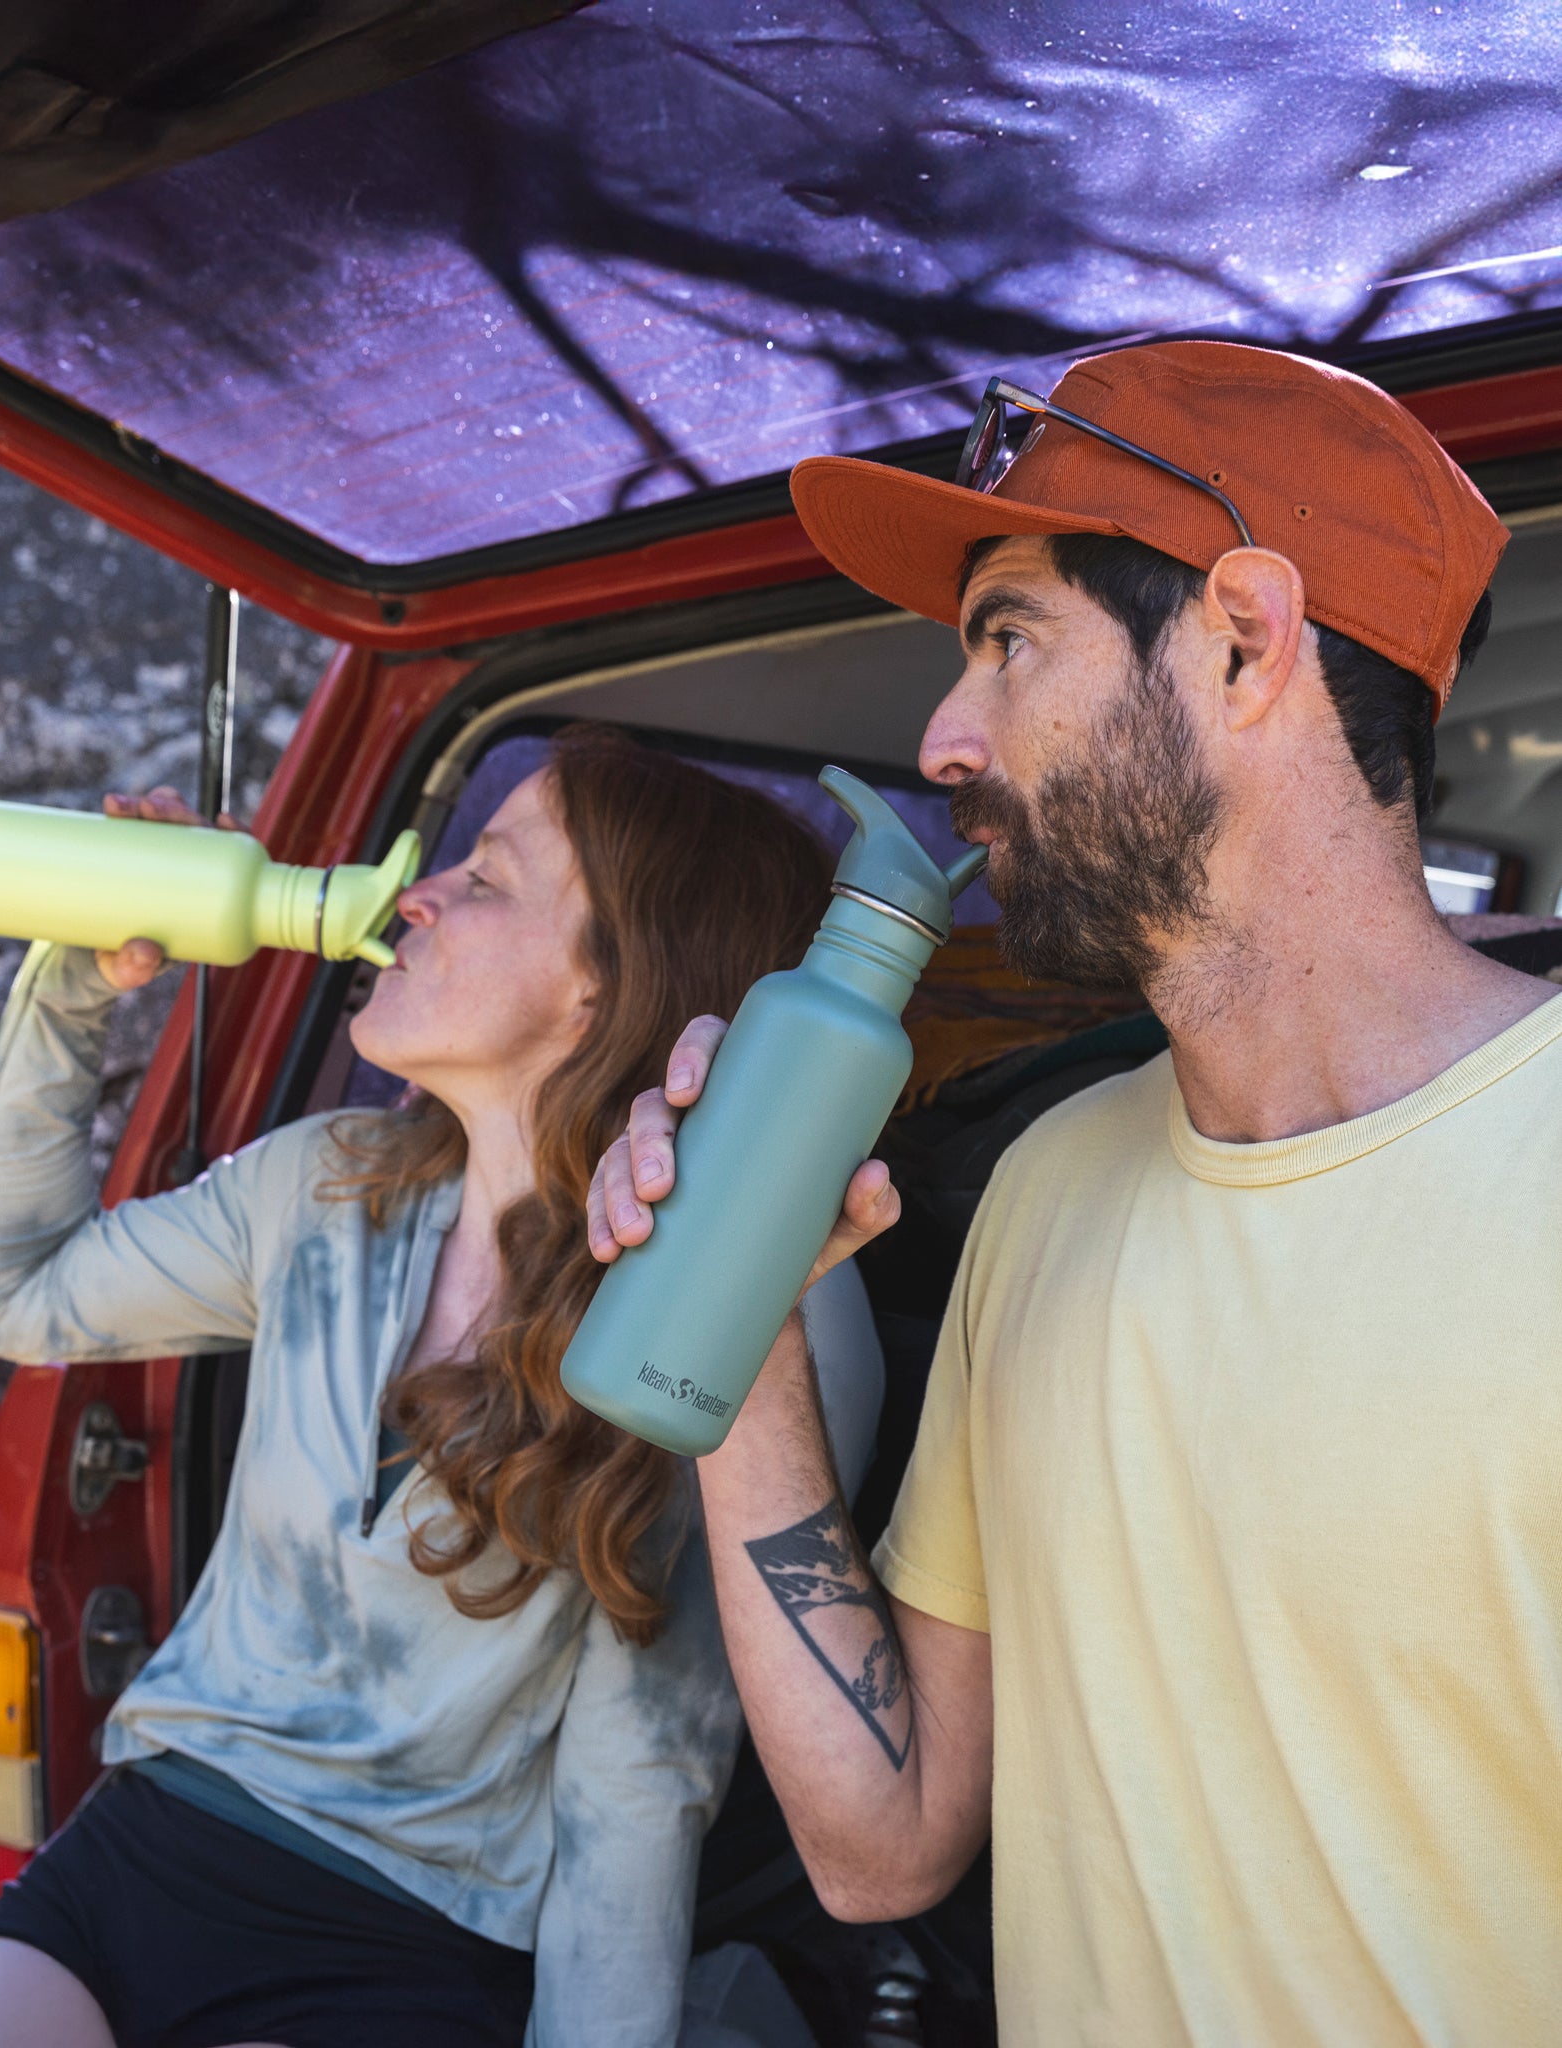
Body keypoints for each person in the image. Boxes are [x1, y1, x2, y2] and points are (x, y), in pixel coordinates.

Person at [588, 341, 1562, 2045]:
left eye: (1009, 639)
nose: (944, 739)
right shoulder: (1046, 1186)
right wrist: (732, 1321)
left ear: (1245, 639)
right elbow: (883, 1850)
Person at [0, 725, 883, 2048]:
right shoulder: (331, 1180)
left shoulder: (754, 1298)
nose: (418, 892)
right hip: (147, 1846)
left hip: (403, 1941)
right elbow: (14, 1292)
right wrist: (74, 979)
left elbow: (643, 1790)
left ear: (603, 987)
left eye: (490, 878)